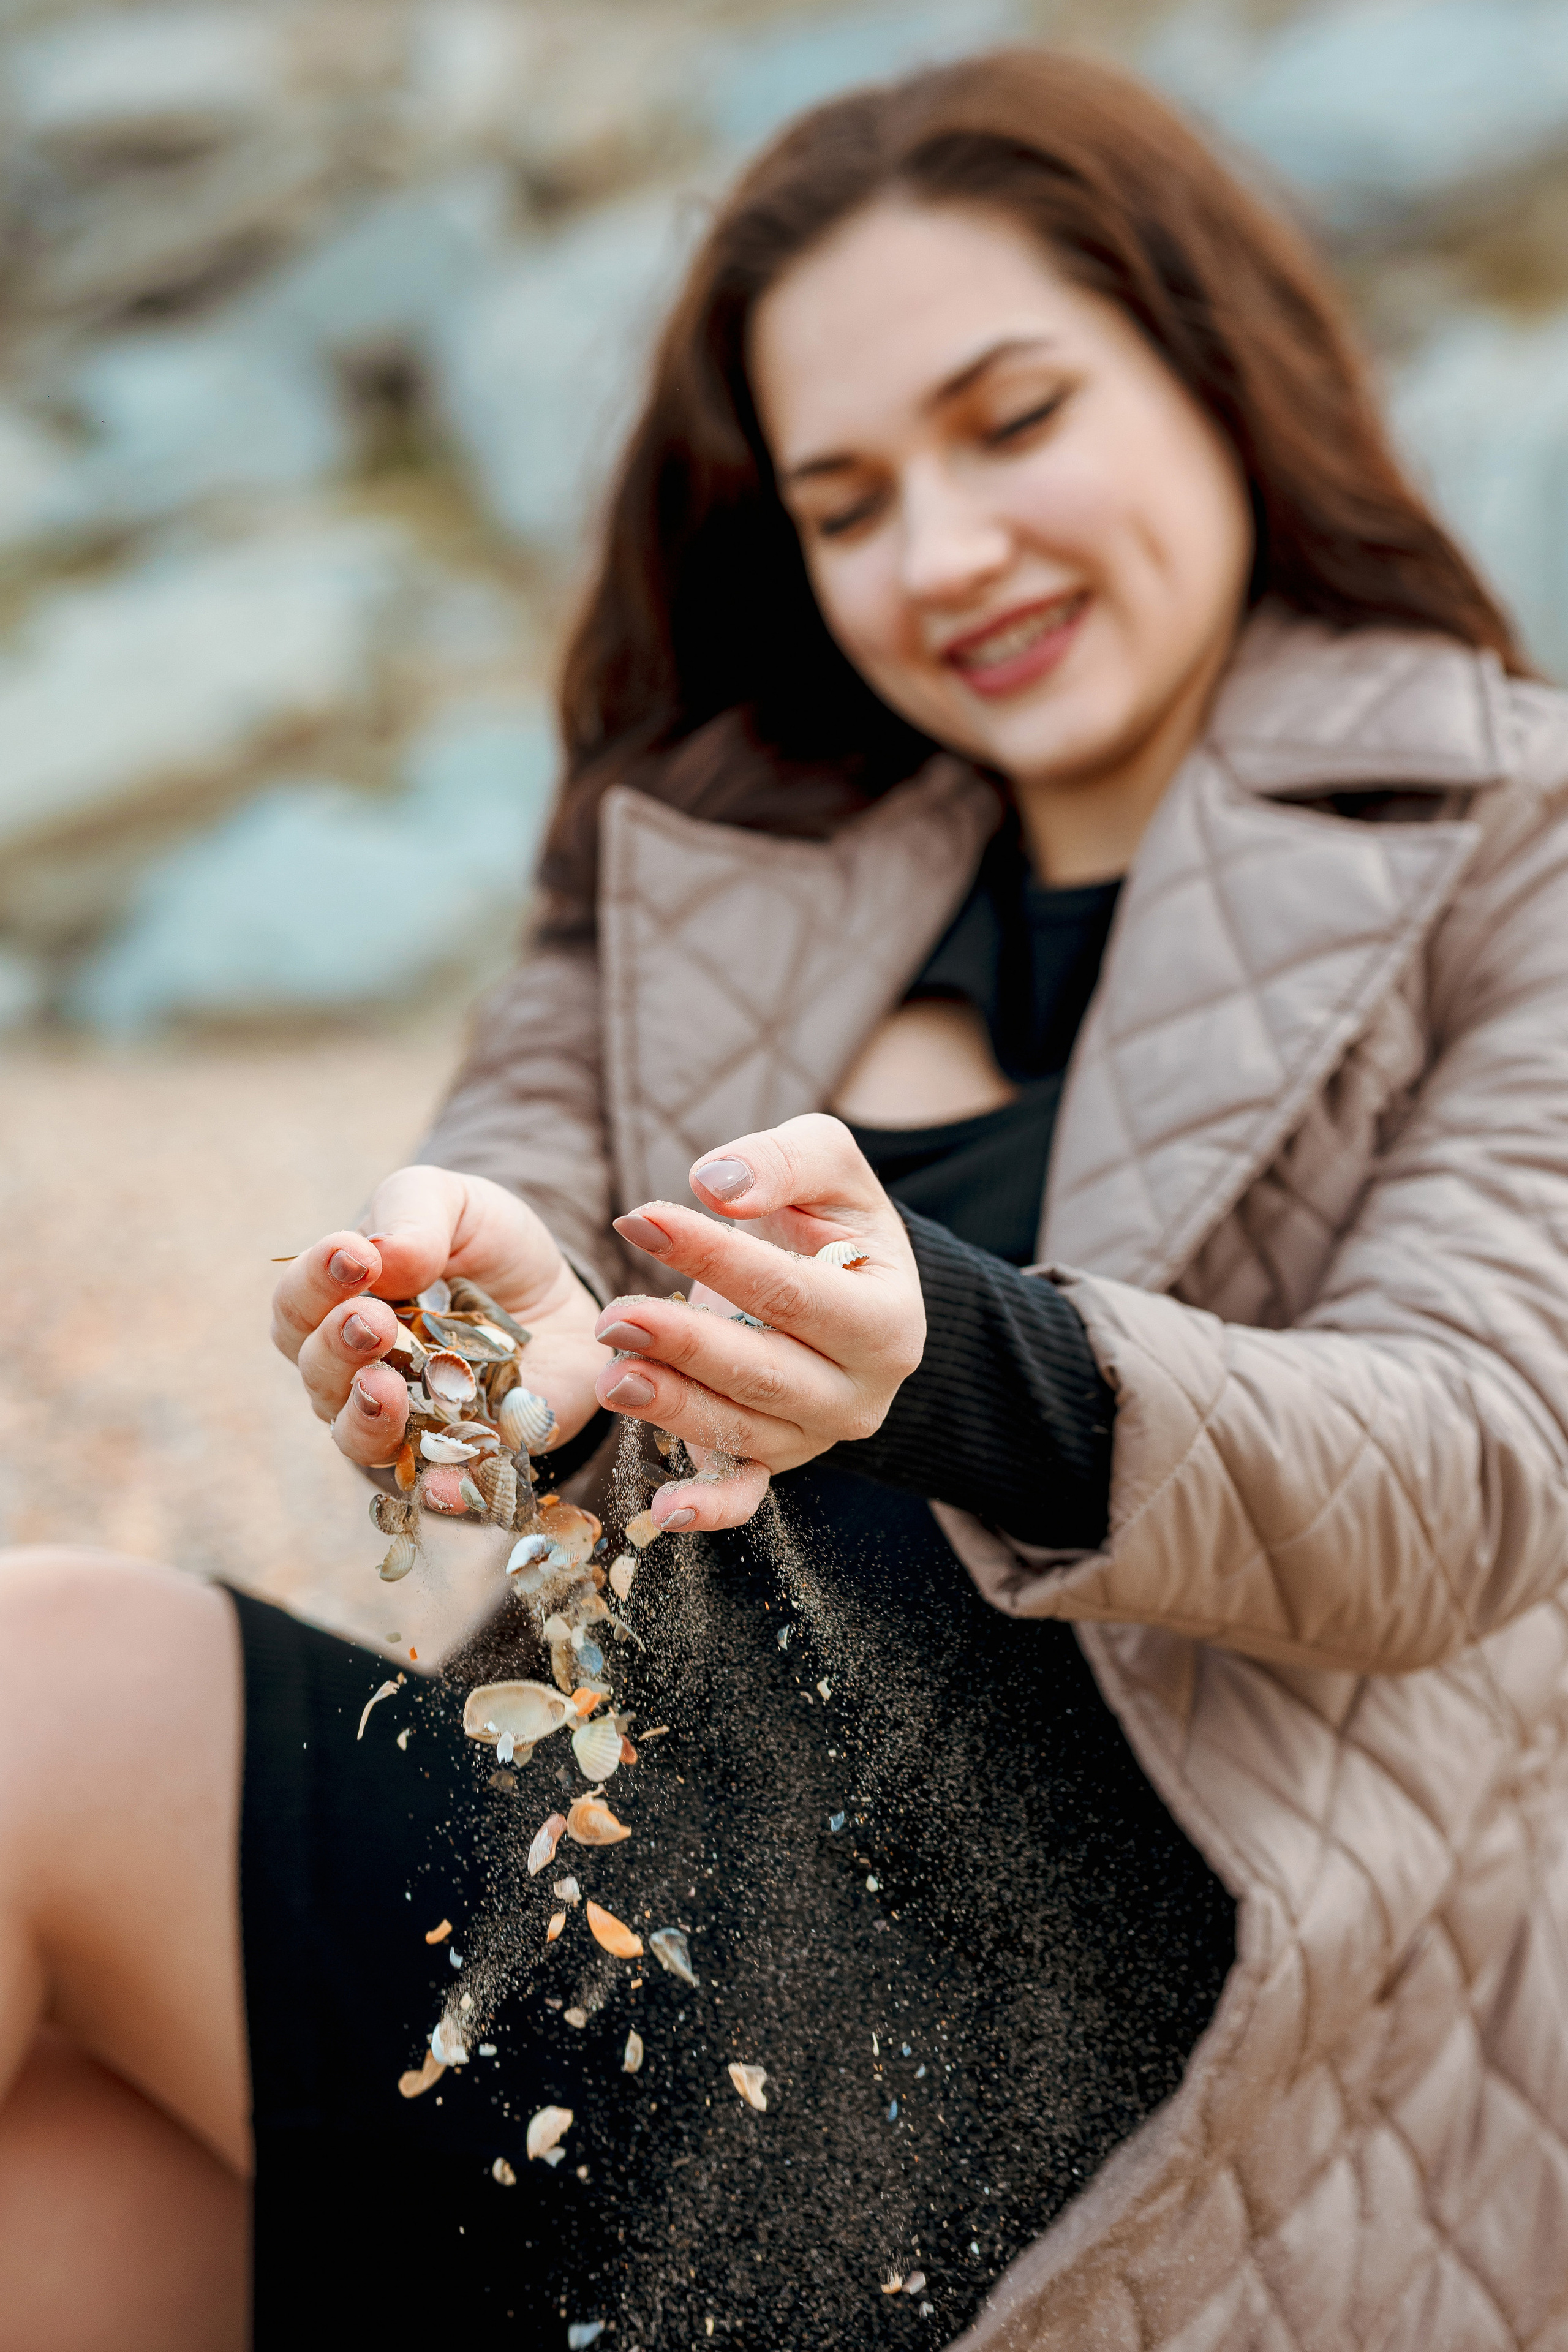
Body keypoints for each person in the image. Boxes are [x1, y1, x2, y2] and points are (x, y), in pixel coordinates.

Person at [6, 45, 1568, 2352]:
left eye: (1014, 420)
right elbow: (508, 1247)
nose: (944, 555)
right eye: (848, 503)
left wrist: (962, 1359)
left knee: (49, 1683)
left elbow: (1481, 1463)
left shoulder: (1514, 844)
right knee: (58, 2186)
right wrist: (484, 1370)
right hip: (627, 1893)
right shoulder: (714, 841)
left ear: (1218, 371)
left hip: (1099, 2047)